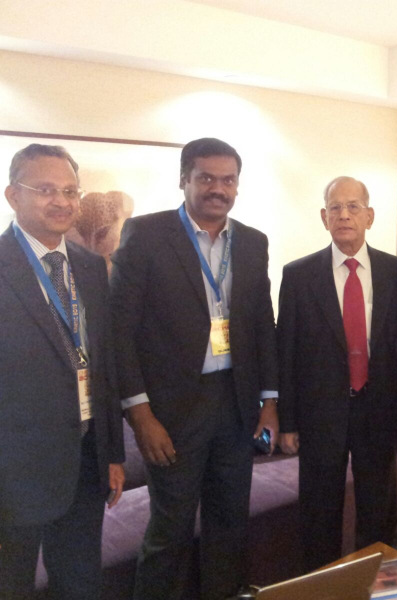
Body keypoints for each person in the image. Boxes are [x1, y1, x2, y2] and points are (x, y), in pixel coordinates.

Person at [110, 137, 279, 599]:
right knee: (171, 529)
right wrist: (140, 415)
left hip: (236, 404)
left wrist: (269, 401)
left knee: (230, 523)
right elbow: (119, 332)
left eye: (228, 180)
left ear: (238, 186)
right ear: (184, 179)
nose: (217, 189)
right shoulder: (146, 235)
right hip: (172, 410)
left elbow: (262, 324)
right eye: (206, 178)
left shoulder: (253, 242)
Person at [0, 144, 125, 599]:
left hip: (86, 461)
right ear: (13, 195)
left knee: (79, 583)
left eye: (71, 191)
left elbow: (103, 364)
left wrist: (112, 454)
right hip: (14, 470)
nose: (62, 201)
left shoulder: (90, 267)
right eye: (45, 190)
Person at [277, 176, 397, 571]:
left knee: (378, 512)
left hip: (379, 409)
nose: (344, 215)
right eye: (335, 208)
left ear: (370, 216)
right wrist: (288, 421)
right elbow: (287, 353)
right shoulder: (298, 275)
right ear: (324, 217)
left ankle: (373, 585)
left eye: (353, 207)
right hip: (320, 414)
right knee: (319, 514)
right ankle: (322, 587)